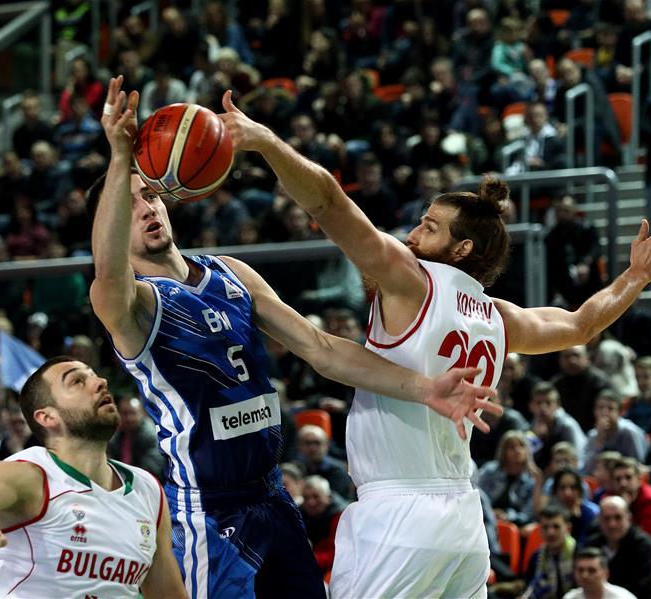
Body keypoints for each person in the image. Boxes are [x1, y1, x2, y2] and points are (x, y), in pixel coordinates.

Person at [221, 88, 651, 598]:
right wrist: (636, 277)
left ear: (461, 247)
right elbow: (582, 324)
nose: (411, 233)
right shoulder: (500, 317)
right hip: (463, 522)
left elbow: (329, 202)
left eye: (427, 226)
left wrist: (268, 143)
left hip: (399, 517)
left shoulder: (411, 280)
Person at [89, 77, 499, 599]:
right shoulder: (129, 303)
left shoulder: (231, 273)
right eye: (130, 204)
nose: (147, 207)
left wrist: (424, 387)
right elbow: (107, 268)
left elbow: (321, 348)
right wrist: (121, 155)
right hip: (209, 509)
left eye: (150, 194)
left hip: (272, 496)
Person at [0, 356, 187, 598]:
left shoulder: (147, 489)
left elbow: (167, 594)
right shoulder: (31, 475)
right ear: (48, 417)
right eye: (77, 381)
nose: (100, 382)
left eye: (94, 375)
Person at [585, 496, 651, 597]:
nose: (612, 524)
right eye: (606, 518)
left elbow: (645, 588)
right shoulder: (592, 544)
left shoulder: (643, 546)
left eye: (618, 517)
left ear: (629, 518)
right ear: (599, 520)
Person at [561, 547, 636, 599]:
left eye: (592, 570)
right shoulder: (569, 597)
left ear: (605, 573)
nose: (585, 575)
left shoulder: (622, 597)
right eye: (580, 570)